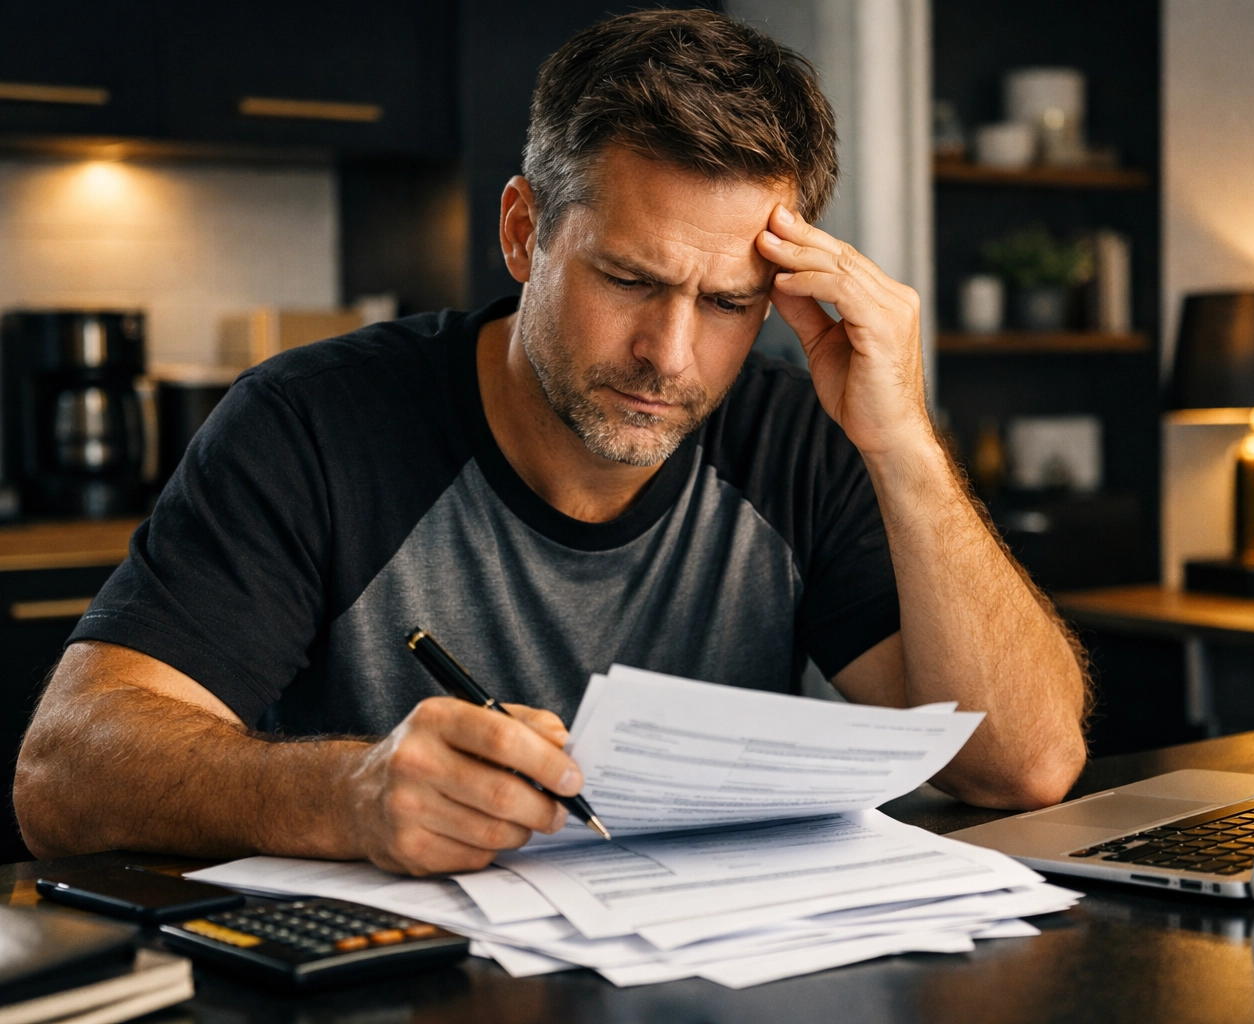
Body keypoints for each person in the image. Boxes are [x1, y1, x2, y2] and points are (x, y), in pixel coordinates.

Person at [15, 10, 1088, 875]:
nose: (671, 353)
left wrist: (904, 442)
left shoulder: (798, 434)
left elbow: (1026, 767)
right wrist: (346, 793)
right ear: (525, 231)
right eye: (629, 279)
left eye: (727, 302)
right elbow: (61, 775)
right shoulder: (311, 426)